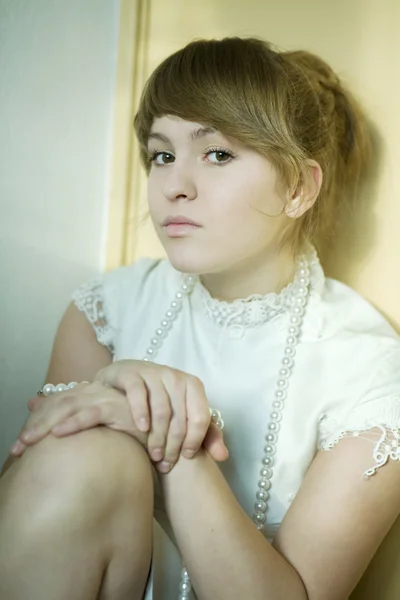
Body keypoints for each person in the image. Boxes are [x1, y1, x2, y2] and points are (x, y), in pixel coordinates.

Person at [1, 36, 400, 600]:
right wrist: (120, 397)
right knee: (84, 450)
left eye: (217, 154)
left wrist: (169, 441)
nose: (174, 186)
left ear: (298, 188)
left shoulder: (369, 368)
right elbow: (22, 513)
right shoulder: (106, 311)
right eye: (162, 154)